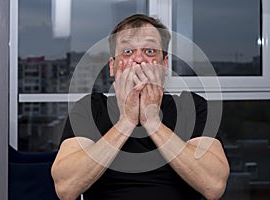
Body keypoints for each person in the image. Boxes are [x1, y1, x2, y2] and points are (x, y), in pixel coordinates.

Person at [51, 14, 230, 200]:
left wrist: (152, 121)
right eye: (127, 52)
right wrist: (126, 122)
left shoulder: (191, 106)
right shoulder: (90, 108)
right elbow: (66, 188)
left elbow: (213, 186)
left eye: (150, 51)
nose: (139, 59)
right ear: (112, 66)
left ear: (164, 64)